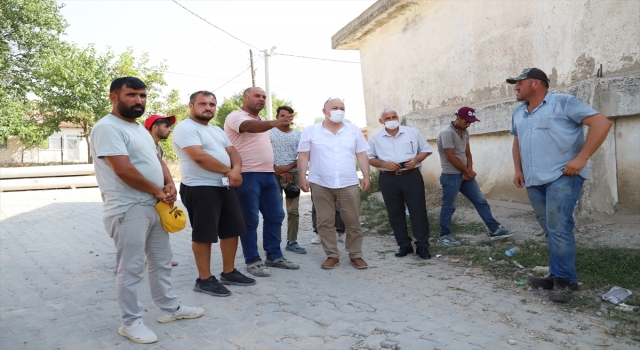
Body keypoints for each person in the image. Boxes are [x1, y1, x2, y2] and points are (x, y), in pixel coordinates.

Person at [90, 77, 203, 344]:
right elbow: (124, 170)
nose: (138, 100)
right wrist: (157, 191)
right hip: (127, 209)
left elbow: (155, 159)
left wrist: (169, 184)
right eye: (131, 95)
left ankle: (169, 308)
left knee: (162, 261)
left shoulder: (139, 128)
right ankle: (130, 322)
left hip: (154, 205)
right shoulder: (106, 128)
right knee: (131, 268)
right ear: (113, 97)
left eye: (142, 95)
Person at [507, 68, 612, 302]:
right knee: (551, 229)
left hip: (562, 176)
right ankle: (557, 275)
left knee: (559, 228)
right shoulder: (519, 112)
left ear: (535, 84)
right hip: (534, 180)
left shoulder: (564, 103)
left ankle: (564, 282)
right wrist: (518, 169)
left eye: (519, 83)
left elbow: (602, 123)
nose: (515, 87)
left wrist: (582, 158)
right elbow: (518, 143)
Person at [172, 90, 256, 297]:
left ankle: (228, 272)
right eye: (203, 104)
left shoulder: (217, 130)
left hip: (224, 185)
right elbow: (199, 157)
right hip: (200, 187)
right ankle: (204, 279)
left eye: (212, 104)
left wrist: (235, 170)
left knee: (231, 230)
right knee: (204, 234)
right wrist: (229, 171)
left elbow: (233, 152)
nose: (208, 107)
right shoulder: (185, 128)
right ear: (191, 106)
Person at [224, 87, 299, 277]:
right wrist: (275, 122)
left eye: (264, 97)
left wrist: (279, 171)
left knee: (276, 216)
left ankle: (274, 255)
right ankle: (252, 260)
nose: (262, 99)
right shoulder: (235, 116)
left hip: (268, 175)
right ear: (246, 97)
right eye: (257, 96)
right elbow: (248, 127)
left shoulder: (264, 121)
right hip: (247, 175)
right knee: (249, 219)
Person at [298, 97, 370, 270]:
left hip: (348, 182)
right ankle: (332, 255)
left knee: (352, 220)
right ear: (324, 111)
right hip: (320, 182)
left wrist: (366, 175)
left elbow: (361, 154)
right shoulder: (310, 131)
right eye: (334, 107)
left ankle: (356, 255)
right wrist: (302, 176)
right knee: (324, 222)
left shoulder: (353, 131)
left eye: (342, 108)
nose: (339, 111)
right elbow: (303, 155)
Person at [436, 107, 514, 246]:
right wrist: (467, 170)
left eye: (470, 122)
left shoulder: (465, 131)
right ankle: (444, 235)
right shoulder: (446, 133)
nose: (468, 125)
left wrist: (469, 170)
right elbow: (451, 157)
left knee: (480, 200)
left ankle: (494, 230)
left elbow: (468, 153)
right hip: (451, 176)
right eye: (467, 122)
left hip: (465, 175)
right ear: (458, 118)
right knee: (449, 206)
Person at [368, 107, 433, 259]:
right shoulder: (375, 138)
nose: (392, 120)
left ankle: (423, 247)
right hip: (388, 178)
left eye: (394, 117)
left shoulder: (412, 132)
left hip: (411, 176)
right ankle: (404, 245)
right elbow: (369, 158)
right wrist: (384, 164)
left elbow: (425, 150)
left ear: (398, 117)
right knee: (395, 213)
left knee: (418, 211)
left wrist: (416, 160)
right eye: (387, 118)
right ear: (381, 121)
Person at [144, 114, 179, 267]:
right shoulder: (142, 145)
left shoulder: (159, 148)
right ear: (154, 127)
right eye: (166, 126)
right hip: (142, 194)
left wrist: (168, 185)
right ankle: (125, 262)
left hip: (158, 194)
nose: (170, 130)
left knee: (159, 226)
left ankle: (160, 256)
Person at [270, 105, 306, 254]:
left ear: (292, 118)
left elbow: (303, 155)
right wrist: (276, 169)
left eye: (289, 116)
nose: (285, 118)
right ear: (278, 116)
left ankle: (292, 242)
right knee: (275, 211)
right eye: (282, 115)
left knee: (293, 211)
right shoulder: (269, 133)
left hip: (293, 175)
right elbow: (262, 152)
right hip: (272, 174)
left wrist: (287, 168)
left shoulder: (298, 135)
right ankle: (274, 242)